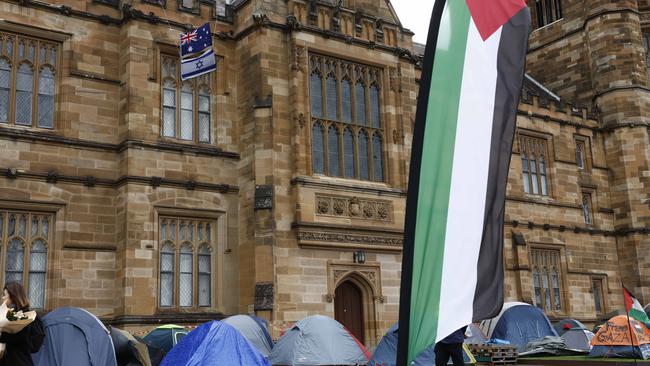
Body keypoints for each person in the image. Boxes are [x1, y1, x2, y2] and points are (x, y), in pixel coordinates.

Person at [0, 282, 43, 366]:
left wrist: (4, 336)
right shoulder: (8, 314)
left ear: (13, 296)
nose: (3, 298)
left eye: (5, 295)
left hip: (20, 361)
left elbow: (35, 342)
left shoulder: (30, 316)